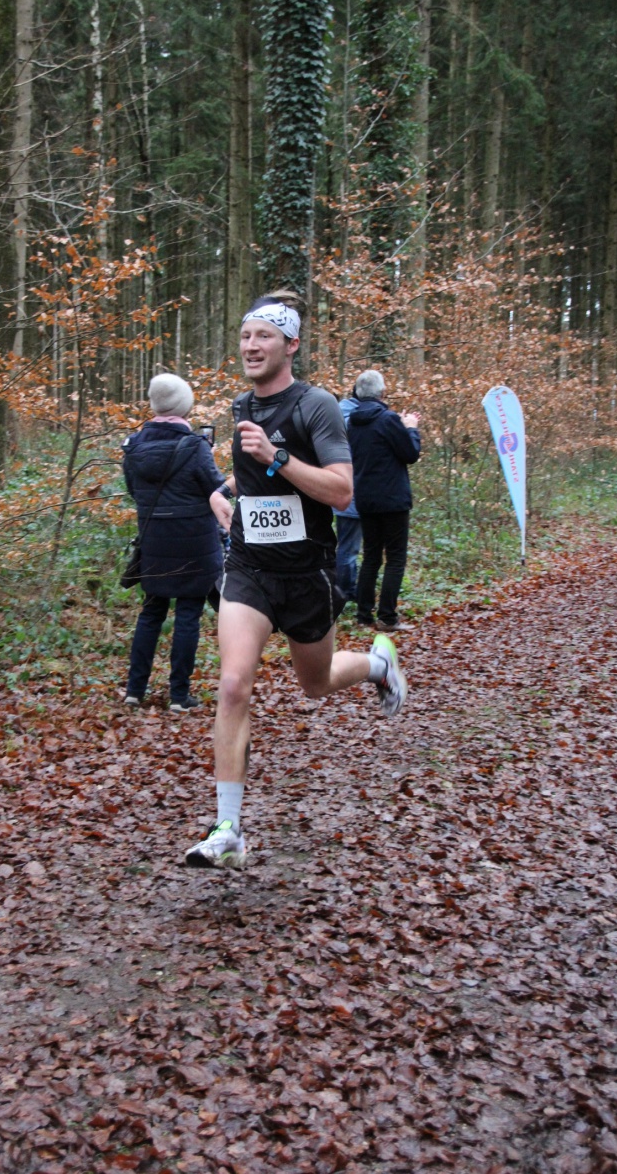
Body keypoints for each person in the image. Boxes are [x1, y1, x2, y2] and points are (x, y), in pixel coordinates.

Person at [184, 294, 408, 869]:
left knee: (316, 682)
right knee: (233, 684)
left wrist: (277, 457)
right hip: (249, 569)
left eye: (264, 336)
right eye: (245, 336)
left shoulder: (317, 407)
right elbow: (250, 476)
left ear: (291, 345)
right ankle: (227, 829)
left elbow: (342, 490)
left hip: (306, 571)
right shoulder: (241, 405)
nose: (251, 346)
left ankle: (378, 665)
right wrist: (222, 494)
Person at [122, 372, 233, 712]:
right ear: (185, 407)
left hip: (154, 540)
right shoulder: (196, 447)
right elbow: (216, 489)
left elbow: (134, 491)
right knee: (188, 614)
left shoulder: (133, 446)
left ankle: (134, 691)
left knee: (151, 612)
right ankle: (179, 696)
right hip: (194, 542)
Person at [346, 368, 421, 631]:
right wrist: (410, 428)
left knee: (371, 556)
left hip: (365, 498)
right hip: (393, 499)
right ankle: (387, 617)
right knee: (396, 558)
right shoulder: (388, 419)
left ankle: (363, 615)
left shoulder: (352, 423)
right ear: (382, 393)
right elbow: (410, 453)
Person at [333, 389, 362, 601]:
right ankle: (343, 593)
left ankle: (345, 589)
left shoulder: (335, 415)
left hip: (336, 491)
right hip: (352, 492)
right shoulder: (357, 420)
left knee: (346, 545)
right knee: (348, 548)